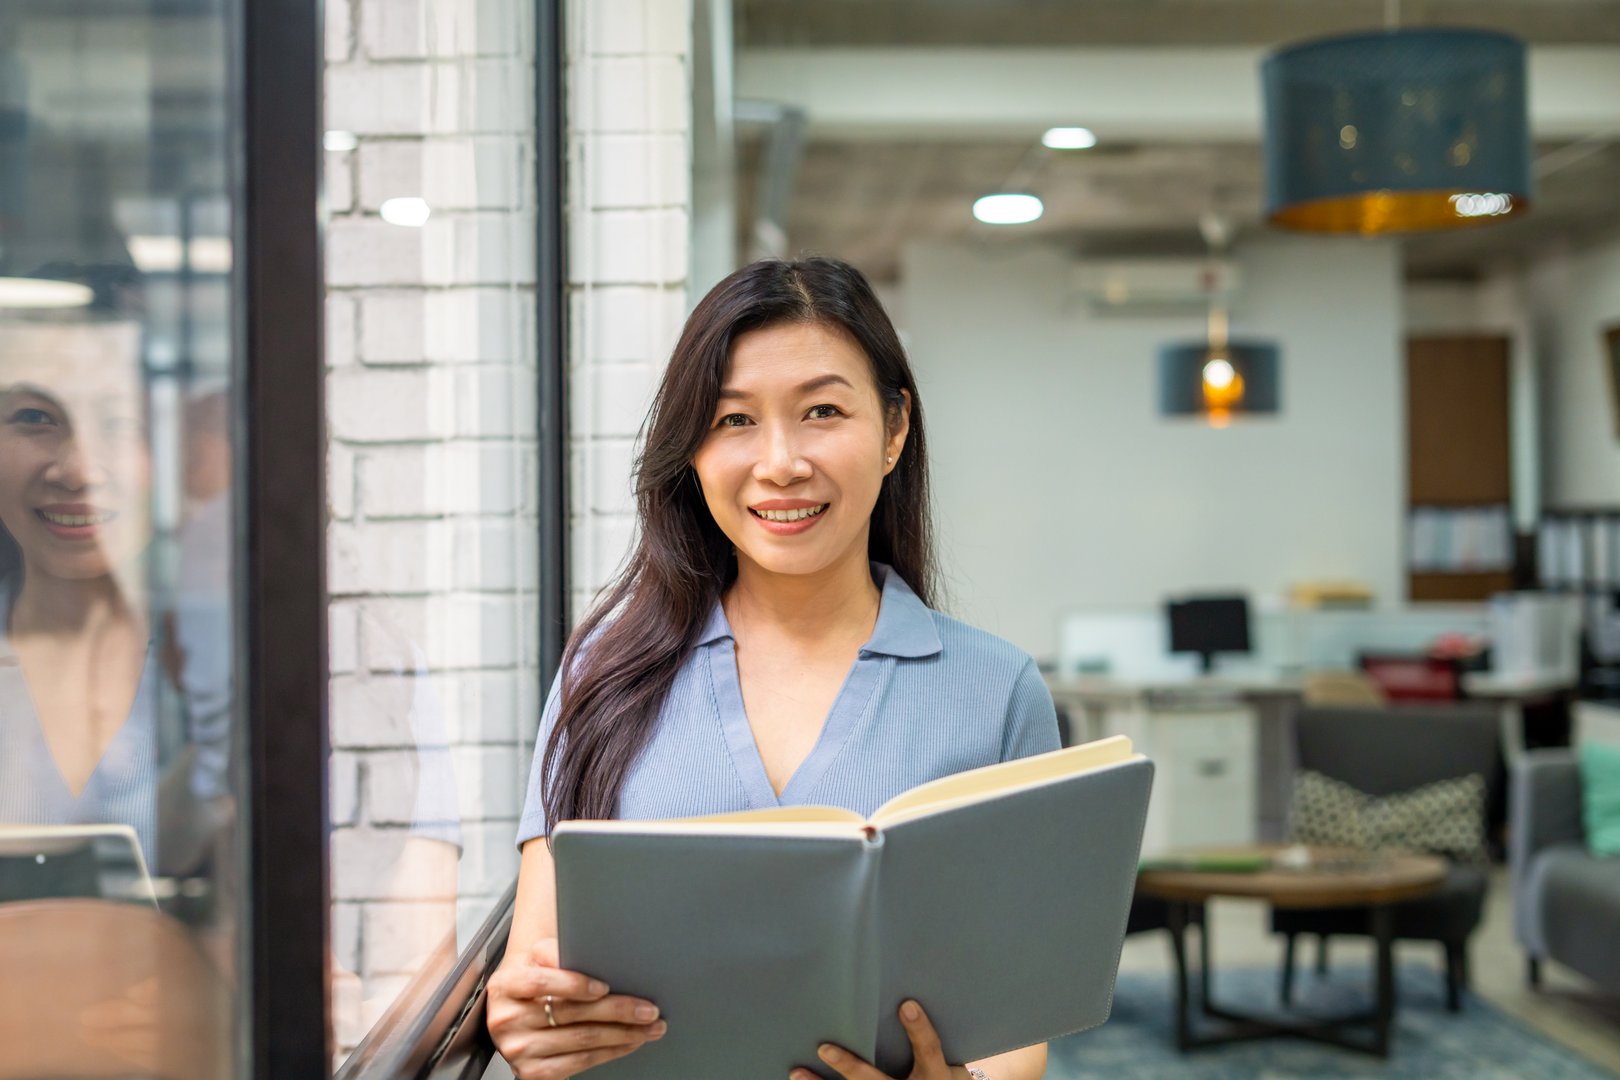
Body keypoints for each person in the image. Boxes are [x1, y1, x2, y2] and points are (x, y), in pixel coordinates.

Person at [487, 258, 1059, 1080]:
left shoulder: (997, 693)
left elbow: (1017, 1025)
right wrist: (529, 1019)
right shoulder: (603, 674)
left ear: (895, 429)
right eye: (734, 421)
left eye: (823, 410)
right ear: (691, 448)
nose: (781, 462)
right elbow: (535, 968)